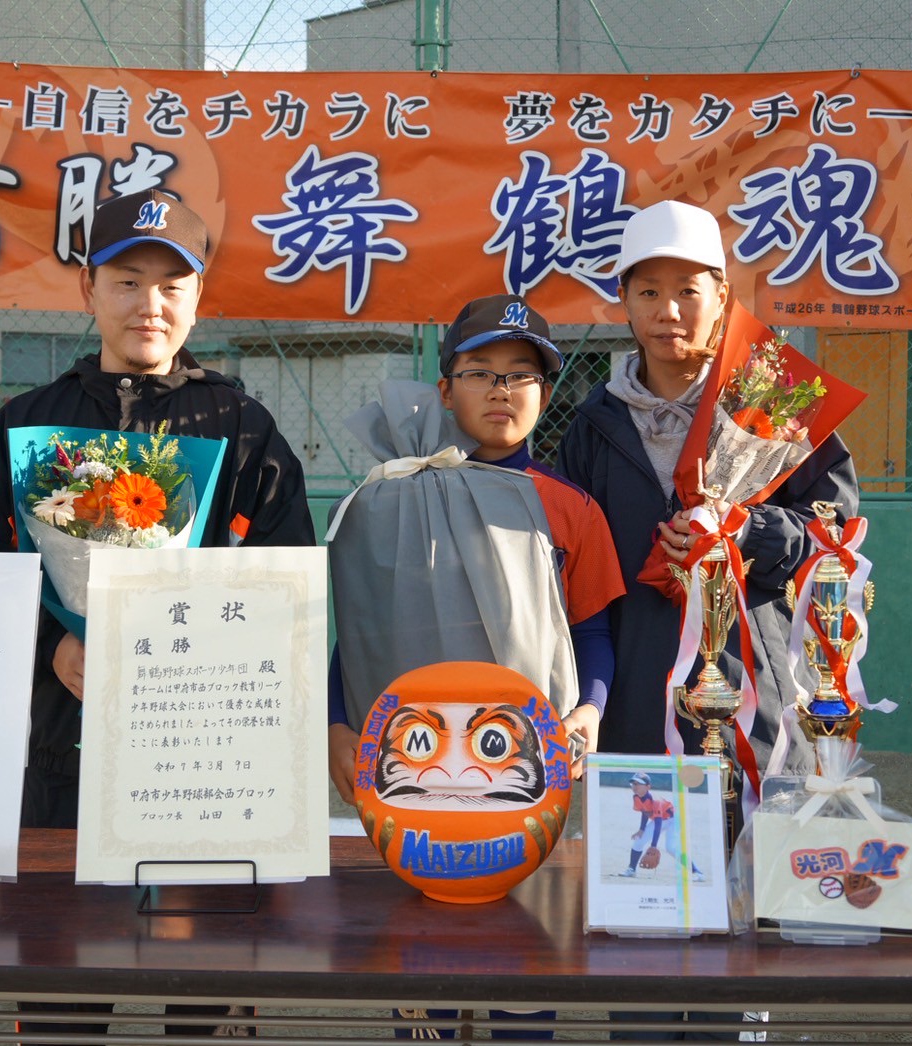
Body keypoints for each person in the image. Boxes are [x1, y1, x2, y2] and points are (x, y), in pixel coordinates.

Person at [0, 187, 315, 1041]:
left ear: (197, 297)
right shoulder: (23, 425)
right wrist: (51, 647)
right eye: (126, 281)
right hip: (60, 742)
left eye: (171, 285)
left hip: (203, 753)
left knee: (205, 981)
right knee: (62, 979)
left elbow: (284, 582)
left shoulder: (243, 429)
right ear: (88, 290)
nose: (150, 304)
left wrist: (189, 653)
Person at [556, 200, 855, 1042]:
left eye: (688, 290)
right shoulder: (592, 421)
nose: (668, 311)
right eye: (647, 291)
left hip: (747, 690)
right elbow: (571, 561)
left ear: (723, 296)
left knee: (740, 890)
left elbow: (836, 529)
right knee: (639, 894)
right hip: (631, 694)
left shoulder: (771, 394)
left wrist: (749, 532)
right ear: (622, 303)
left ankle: (737, 1029)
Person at [328, 294, 625, 1042]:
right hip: (412, 764)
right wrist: (336, 722)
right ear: (444, 389)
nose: (502, 389)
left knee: (524, 963)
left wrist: (588, 710)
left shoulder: (569, 507)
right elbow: (358, 629)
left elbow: (592, 631)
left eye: (522, 375)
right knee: (419, 959)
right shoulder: (386, 499)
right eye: (481, 371)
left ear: (545, 393)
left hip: (525, 765)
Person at [618, 772, 703, 881]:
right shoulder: (636, 797)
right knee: (638, 841)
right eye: (633, 784)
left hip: (674, 820)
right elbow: (645, 812)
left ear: (648, 787)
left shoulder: (656, 800)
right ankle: (631, 869)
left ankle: (698, 873)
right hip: (660, 819)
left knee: (671, 848)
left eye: (638, 784)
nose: (635, 786)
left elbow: (658, 824)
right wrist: (641, 829)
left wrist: (653, 845)